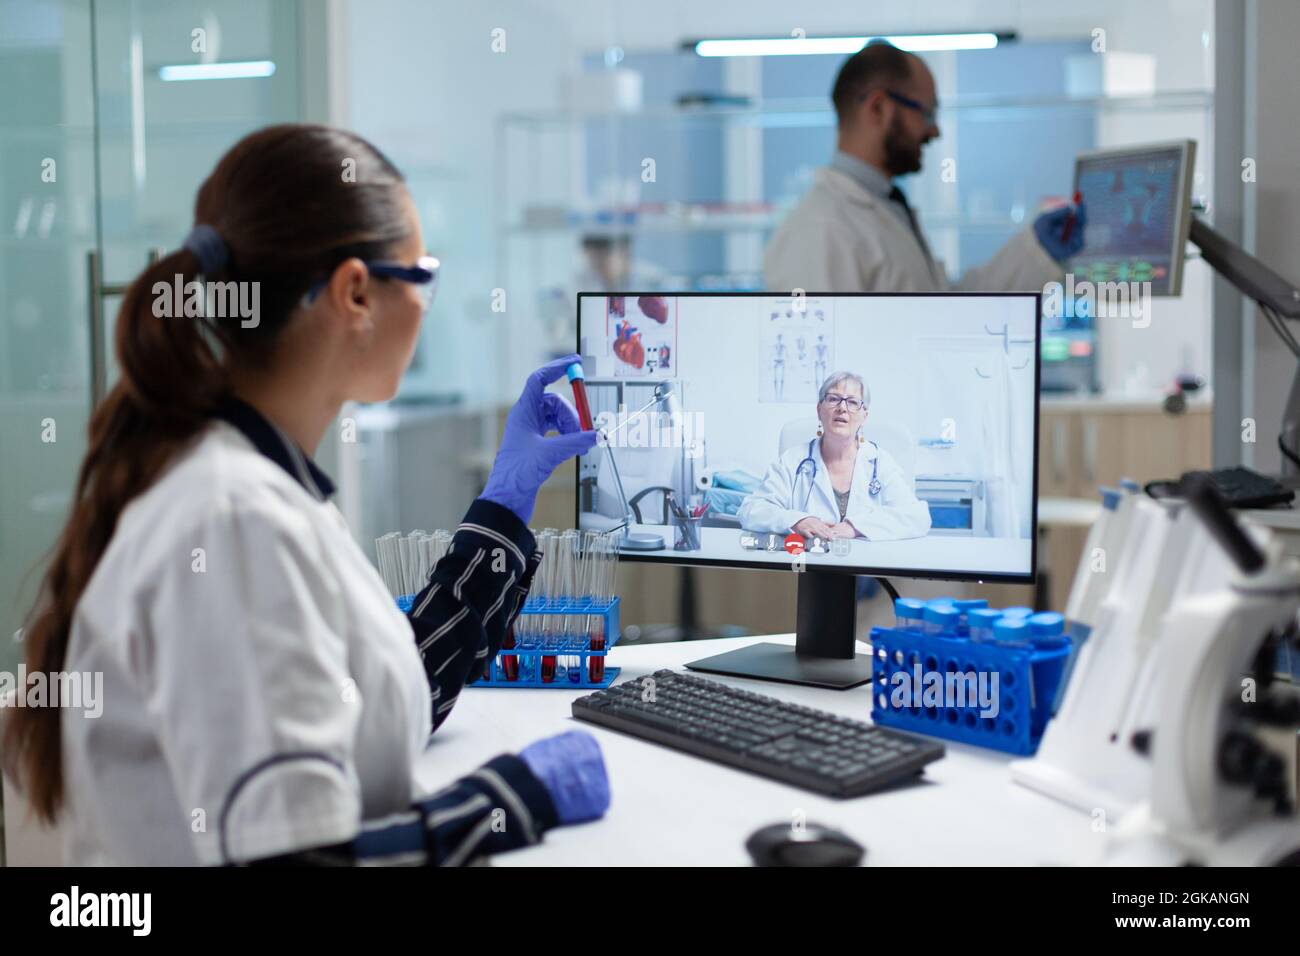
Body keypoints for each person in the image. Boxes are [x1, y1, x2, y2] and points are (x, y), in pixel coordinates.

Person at [1, 124, 610, 866]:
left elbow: (375, 702)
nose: (429, 304)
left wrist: (507, 503)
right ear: (357, 292)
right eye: (425, 275)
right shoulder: (231, 521)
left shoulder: (253, 482)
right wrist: (516, 798)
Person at [764, 41, 1085, 293]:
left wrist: (1036, 251)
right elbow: (824, 366)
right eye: (927, 113)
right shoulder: (821, 229)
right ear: (878, 108)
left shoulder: (884, 207)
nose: (935, 131)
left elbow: (944, 312)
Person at [738, 371, 931, 541]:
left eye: (853, 402)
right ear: (819, 410)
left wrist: (855, 527)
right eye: (833, 399)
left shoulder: (879, 462)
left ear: (864, 415)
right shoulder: (793, 461)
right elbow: (751, 510)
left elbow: (917, 517)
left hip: (866, 567)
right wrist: (797, 520)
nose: (842, 408)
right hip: (809, 565)